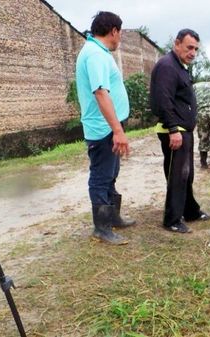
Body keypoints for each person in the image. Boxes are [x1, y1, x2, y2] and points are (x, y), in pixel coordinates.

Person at [75, 11, 135, 245]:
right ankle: (102, 228)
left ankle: (113, 217)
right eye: (120, 33)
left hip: (108, 126)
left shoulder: (97, 52)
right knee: (101, 176)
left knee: (110, 174)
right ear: (114, 31)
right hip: (102, 129)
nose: (119, 39)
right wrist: (118, 130)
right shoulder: (95, 55)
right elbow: (100, 93)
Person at [149, 28, 210, 234]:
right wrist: (173, 129)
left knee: (187, 174)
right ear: (177, 44)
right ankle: (172, 219)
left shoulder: (180, 66)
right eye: (189, 47)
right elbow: (163, 100)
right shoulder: (167, 66)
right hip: (174, 130)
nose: (193, 52)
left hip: (184, 130)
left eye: (195, 49)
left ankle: (191, 211)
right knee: (178, 175)